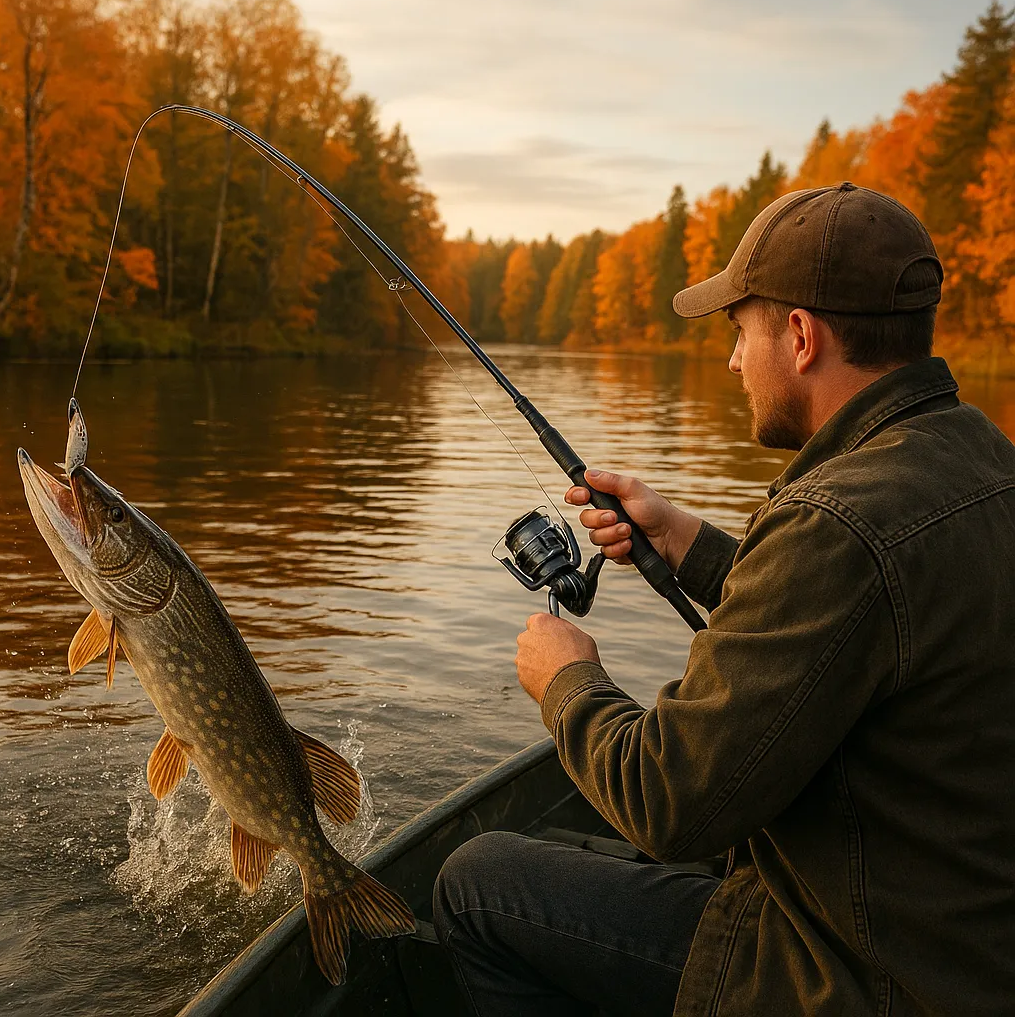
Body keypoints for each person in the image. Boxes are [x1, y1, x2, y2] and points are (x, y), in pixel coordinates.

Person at [432, 183, 1015, 1016]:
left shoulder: (836, 524)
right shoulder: (981, 457)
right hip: (959, 944)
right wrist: (683, 539)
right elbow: (868, 610)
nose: (734, 362)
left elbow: (666, 803)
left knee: (477, 886)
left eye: (741, 333)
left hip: (850, 972)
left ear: (802, 338)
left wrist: (567, 682)